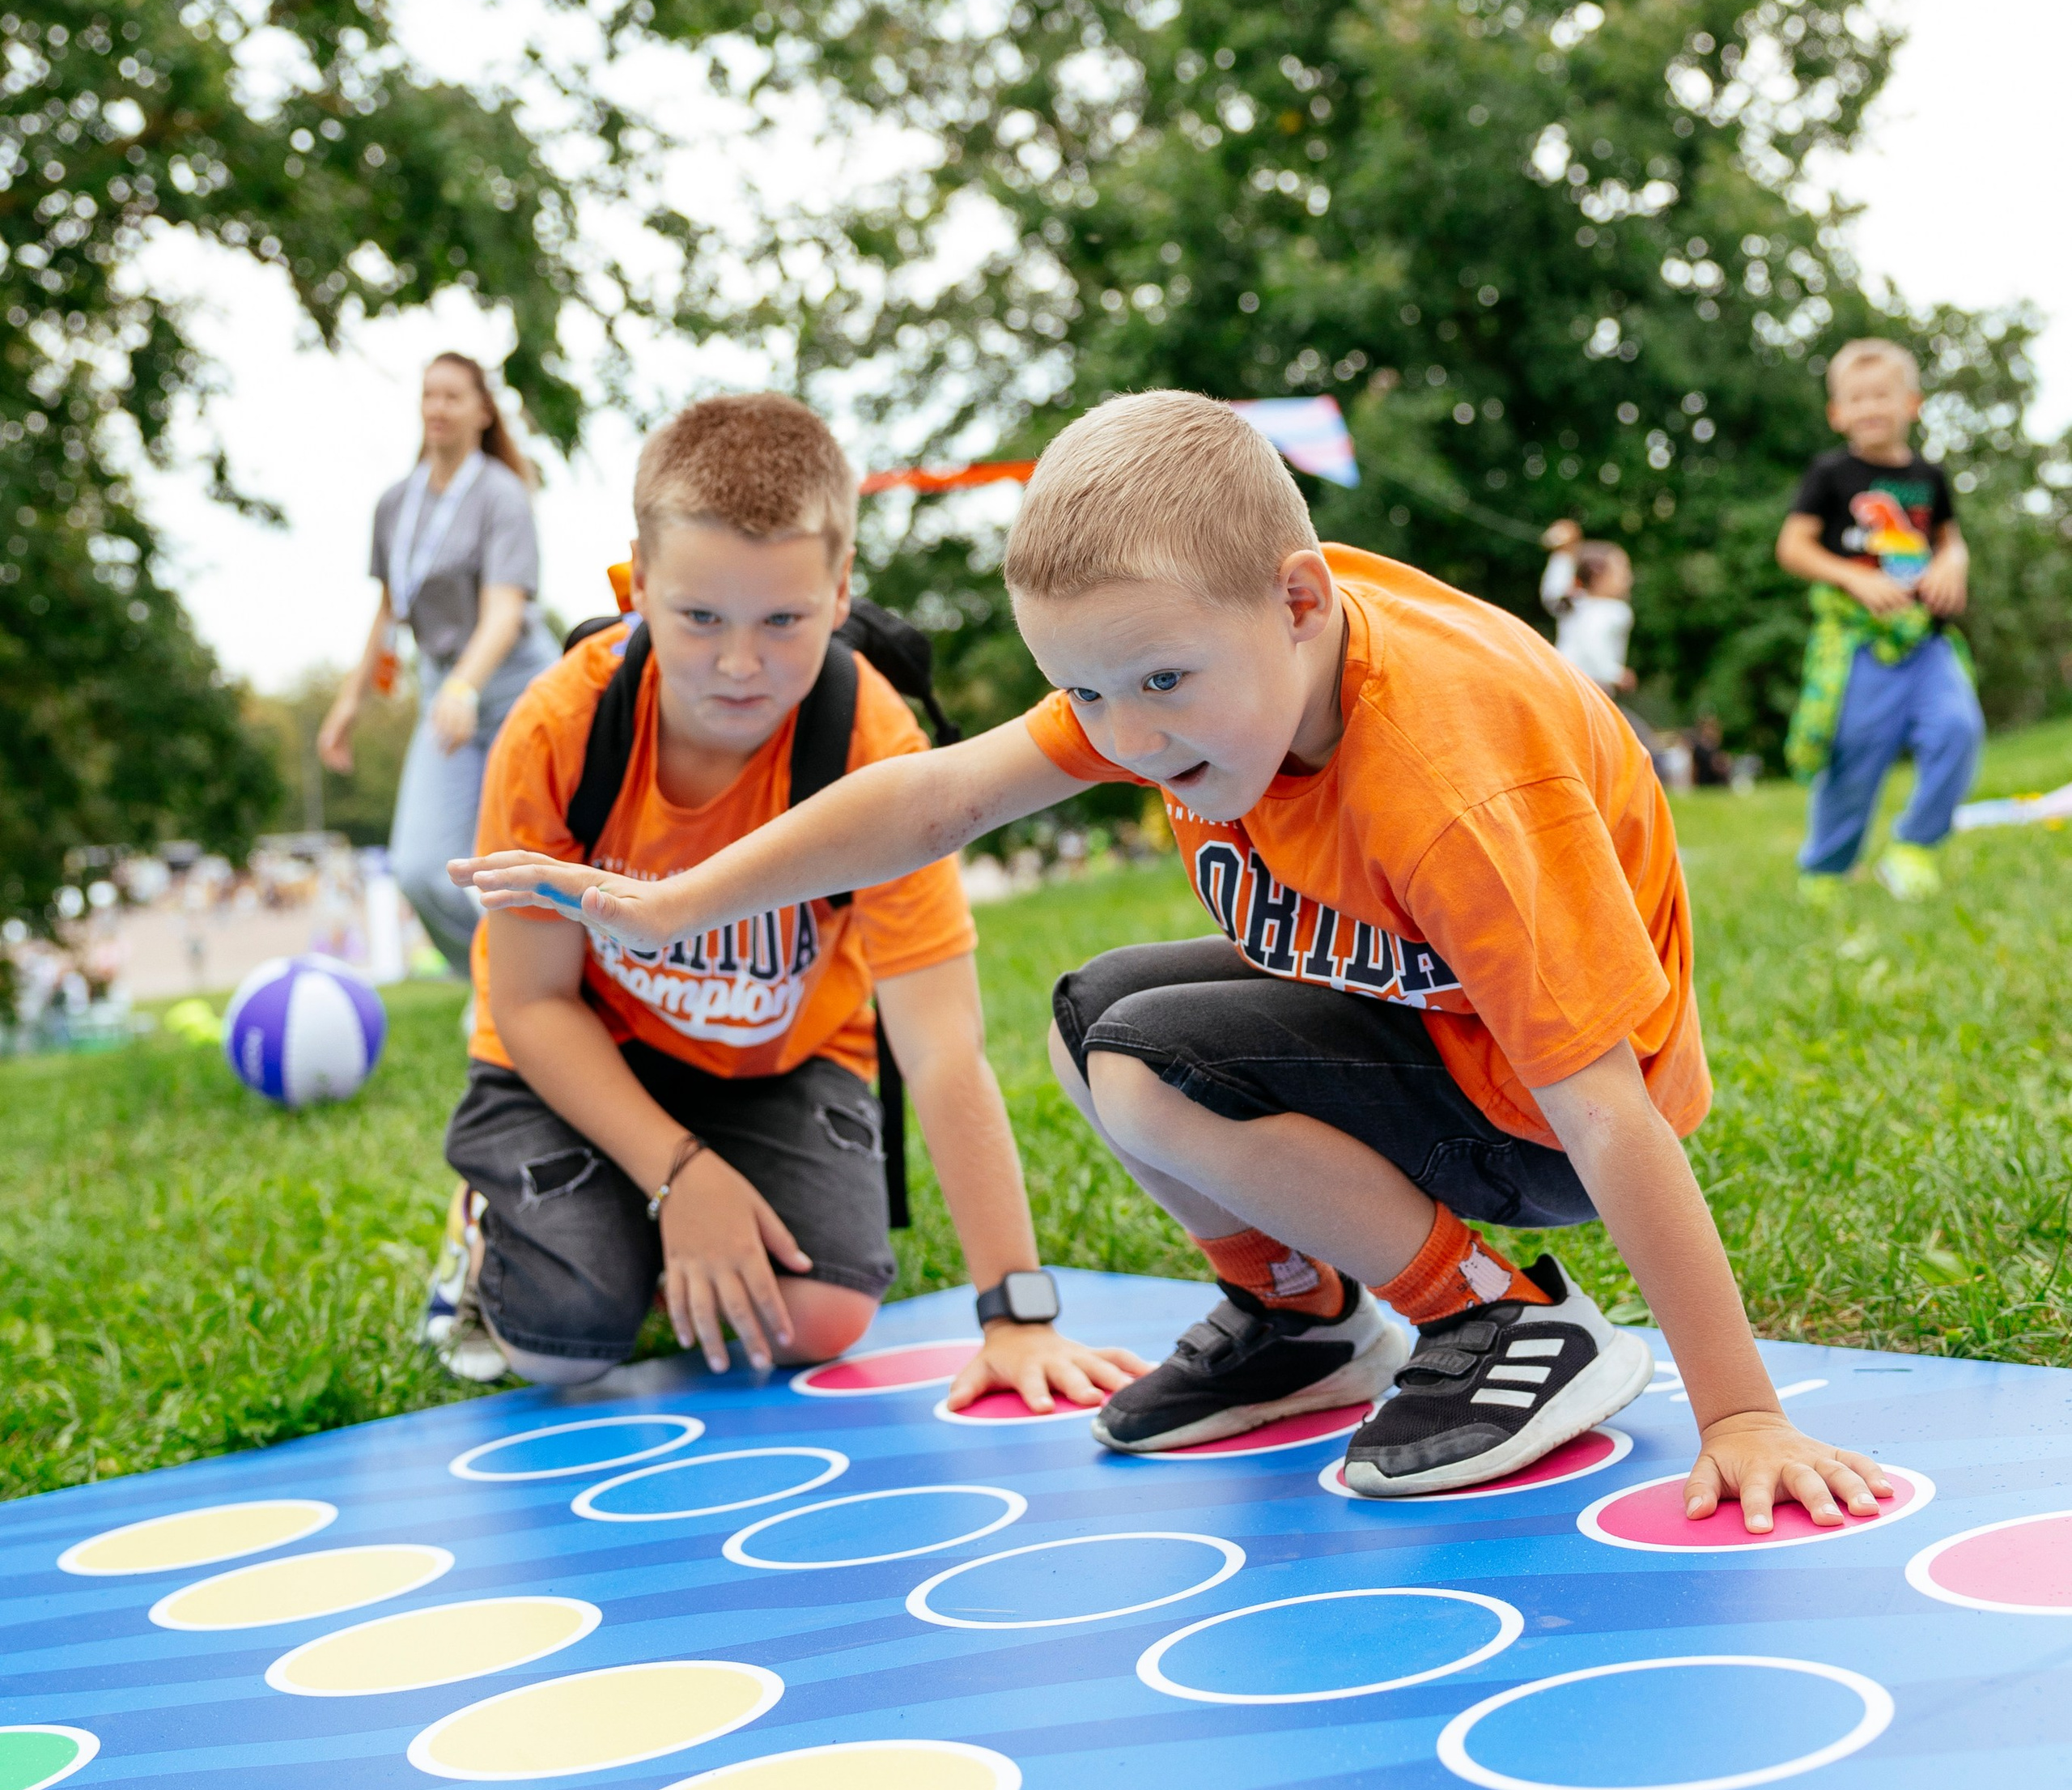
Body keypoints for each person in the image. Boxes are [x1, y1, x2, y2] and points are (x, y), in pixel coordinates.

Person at [459, 391, 1890, 1537]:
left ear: (1299, 602)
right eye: (1083, 692)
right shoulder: (1189, 661)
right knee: (1101, 1013)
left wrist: (1739, 1414)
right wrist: (670, 903)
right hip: (1430, 1032)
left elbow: (1608, 1110)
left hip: (1541, 1123)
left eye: (1153, 687)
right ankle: (1303, 1323)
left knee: (1156, 1070)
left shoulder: (1451, 785)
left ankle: (1504, 1323)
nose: (1126, 738)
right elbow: (937, 797)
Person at [431, 391, 1143, 1418]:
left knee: (818, 1319)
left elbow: (941, 1048)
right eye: (700, 617)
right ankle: (501, 1224)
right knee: (560, 1341)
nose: (738, 662)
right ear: (639, 579)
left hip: (778, 1067)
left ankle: (633, 1230)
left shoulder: (872, 746)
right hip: (587, 1049)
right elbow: (533, 1003)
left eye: (783, 620)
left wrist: (1015, 1313)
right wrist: (681, 1176)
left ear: (841, 588)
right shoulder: (562, 728)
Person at [320, 353, 558, 971]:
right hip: (444, 691)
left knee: (527, 862)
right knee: (422, 869)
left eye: (453, 397)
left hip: (517, 690)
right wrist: (349, 703)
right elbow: (387, 611)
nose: (438, 409)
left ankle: (553, 989)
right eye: (429, 395)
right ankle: (487, 978)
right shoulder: (396, 503)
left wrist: (464, 688)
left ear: (483, 411)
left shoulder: (503, 495)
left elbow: (504, 612)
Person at [1780, 337, 1982, 902]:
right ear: (1836, 412)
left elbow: (1950, 539)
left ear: (1912, 404)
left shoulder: (1929, 475)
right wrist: (1855, 577)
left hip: (1924, 640)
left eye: (1881, 396)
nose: (1869, 408)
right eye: (1856, 398)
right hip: (1860, 645)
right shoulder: (1830, 473)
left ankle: (1914, 846)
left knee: (1958, 729)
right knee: (1854, 757)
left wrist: (1954, 564)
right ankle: (1825, 871)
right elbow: (1793, 547)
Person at [1539, 521, 1637, 695]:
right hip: (1586, 687)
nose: (1628, 578)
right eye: (1621, 570)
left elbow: (1552, 593)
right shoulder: (1609, 610)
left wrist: (1564, 553)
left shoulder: (1584, 606)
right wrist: (1615, 674)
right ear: (1598, 575)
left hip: (1569, 683)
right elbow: (1592, 644)